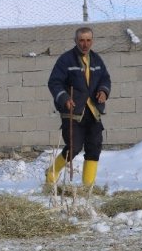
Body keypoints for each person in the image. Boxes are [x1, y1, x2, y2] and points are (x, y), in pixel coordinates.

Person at [46, 26, 111, 188]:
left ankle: (88, 186)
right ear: (76, 41)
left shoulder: (97, 60)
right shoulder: (66, 60)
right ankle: (51, 172)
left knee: (94, 146)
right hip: (73, 112)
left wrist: (103, 91)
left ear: (92, 41)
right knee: (74, 148)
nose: (85, 44)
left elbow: (105, 78)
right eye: (81, 40)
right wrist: (65, 98)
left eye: (88, 40)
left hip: (93, 111)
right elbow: (54, 82)